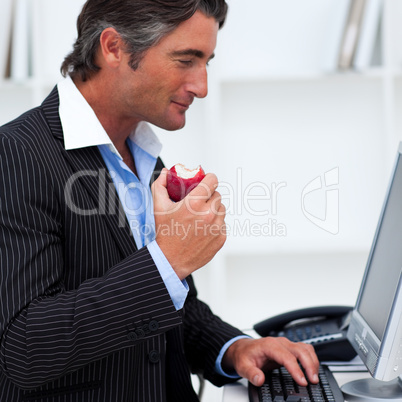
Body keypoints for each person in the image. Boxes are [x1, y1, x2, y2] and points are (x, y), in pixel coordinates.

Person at [0, 1, 319, 401]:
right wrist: (167, 262)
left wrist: (234, 348)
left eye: (206, 62)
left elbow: (168, 309)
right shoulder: (14, 155)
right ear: (113, 47)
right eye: (185, 60)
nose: (201, 86)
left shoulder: (143, 155)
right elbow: (24, 349)